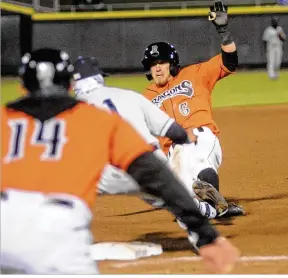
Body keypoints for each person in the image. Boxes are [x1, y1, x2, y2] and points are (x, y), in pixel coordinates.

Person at [1, 48, 240, 274]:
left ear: (21, 86)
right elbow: (152, 170)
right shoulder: (95, 115)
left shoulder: (4, 119)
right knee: (164, 189)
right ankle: (199, 217)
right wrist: (204, 233)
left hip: (5, 233)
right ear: (68, 84)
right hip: (65, 239)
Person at [72, 56, 218, 219]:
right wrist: (185, 138)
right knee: (173, 193)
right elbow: (171, 129)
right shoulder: (129, 96)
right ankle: (203, 208)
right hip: (150, 161)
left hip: (113, 171)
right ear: (98, 78)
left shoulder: (72, 111)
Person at [141, 0, 244, 218]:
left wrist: (223, 31)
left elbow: (230, 61)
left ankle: (212, 199)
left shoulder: (196, 73)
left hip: (200, 136)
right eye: (152, 64)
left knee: (200, 164)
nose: (157, 68)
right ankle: (215, 207)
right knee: (184, 201)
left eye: (161, 62)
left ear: (172, 63)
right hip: (174, 153)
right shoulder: (146, 97)